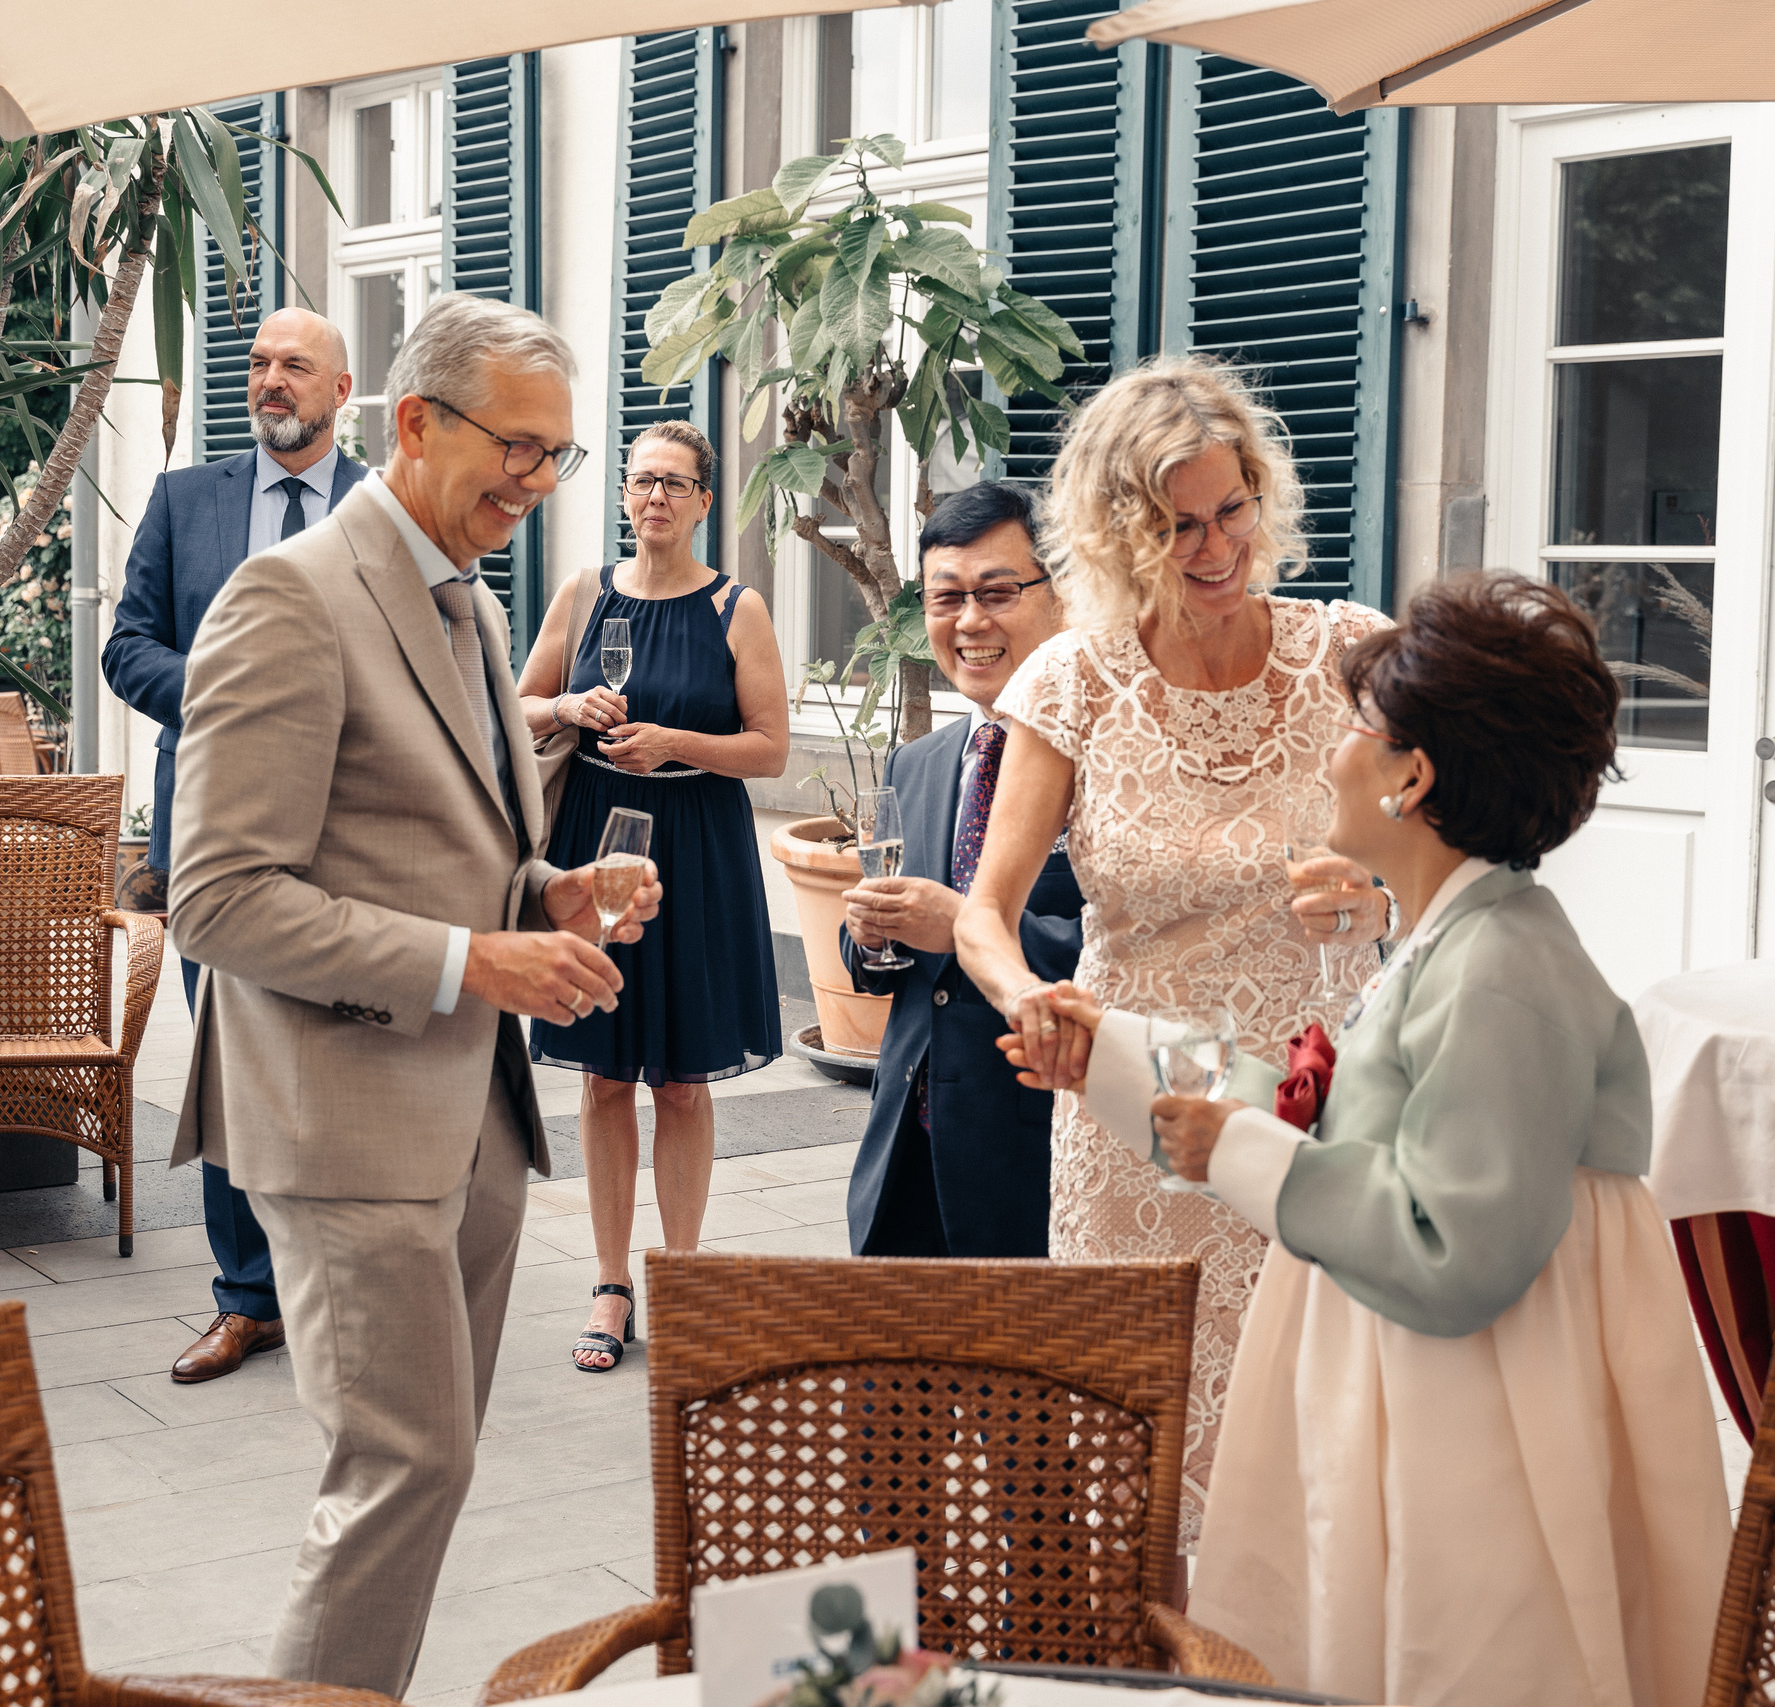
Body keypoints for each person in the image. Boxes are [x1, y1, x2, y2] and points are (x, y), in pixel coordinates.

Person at [1037, 574, 1733, 1704]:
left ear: (1414, 778)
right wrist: (1113, 1054)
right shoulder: (1452, 938)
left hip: (1478, 1406)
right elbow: (1334, 1116)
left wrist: (1239, 1152)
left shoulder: (1503, 972)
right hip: (1416, 1370)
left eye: (1356, 728)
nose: (1330, 756)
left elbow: (1453, 1250)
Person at [167, 292, 662, 1697]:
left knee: (426, 1469)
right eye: (518, 446)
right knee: (404, 1467)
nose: (539, 479)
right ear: (418, 423)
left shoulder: (476, 604)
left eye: (558, 453)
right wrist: (471, 961)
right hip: (345, 1120)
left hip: (475, 1119)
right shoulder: (290, 595)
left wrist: (548, 895)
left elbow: (448, 851)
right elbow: (218, 898)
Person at [951, 355, 1393, 1545]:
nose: (1213, 547)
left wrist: (1377, 896)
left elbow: (1450, 852)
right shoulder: (1073, 678)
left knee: (1313, 1463)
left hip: (1310, 1101)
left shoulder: (1351, 653)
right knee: (1132, 1470)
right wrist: (1028, 997)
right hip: (1135, 1107)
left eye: (1230, 510)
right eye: (1175, 525)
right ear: (1116, 535)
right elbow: (984, 912)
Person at [102, 306, 363, 1384]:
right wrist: (226, 692)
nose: (270, 380)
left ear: (339, 389)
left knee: (342, 1060)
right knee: (229, 1065)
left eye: (294, 365)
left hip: (349, 832)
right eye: (258, 363)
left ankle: (340, 1288)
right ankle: (248, 1299)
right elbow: (127, 647)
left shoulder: (387, 507)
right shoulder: (184, 500)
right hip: (212, 828)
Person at [515, 421, 788, 1372]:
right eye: (641, 481)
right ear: (625, 495)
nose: (655, 497)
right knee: (603, 1074)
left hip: (698, 848)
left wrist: (675, 743)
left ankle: (682, 1276)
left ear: (705, 501)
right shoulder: (584, 593)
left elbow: (771, 748)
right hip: (599, 841)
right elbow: (517, 705)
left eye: (674, 483)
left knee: (681, 1079)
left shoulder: (736, 607)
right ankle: (608, 1282)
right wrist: (567, 706)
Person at [838, 481, 1082, 1257]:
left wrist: (969, 928)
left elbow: (1136, 949)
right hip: (903, 1163)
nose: (970, 621)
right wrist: (869, 933)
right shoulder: (917, 762)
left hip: (1034, 1161)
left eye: (998, 591)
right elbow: (885, 967)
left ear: (1060, 594)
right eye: (946, 597)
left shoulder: (1110, 763)